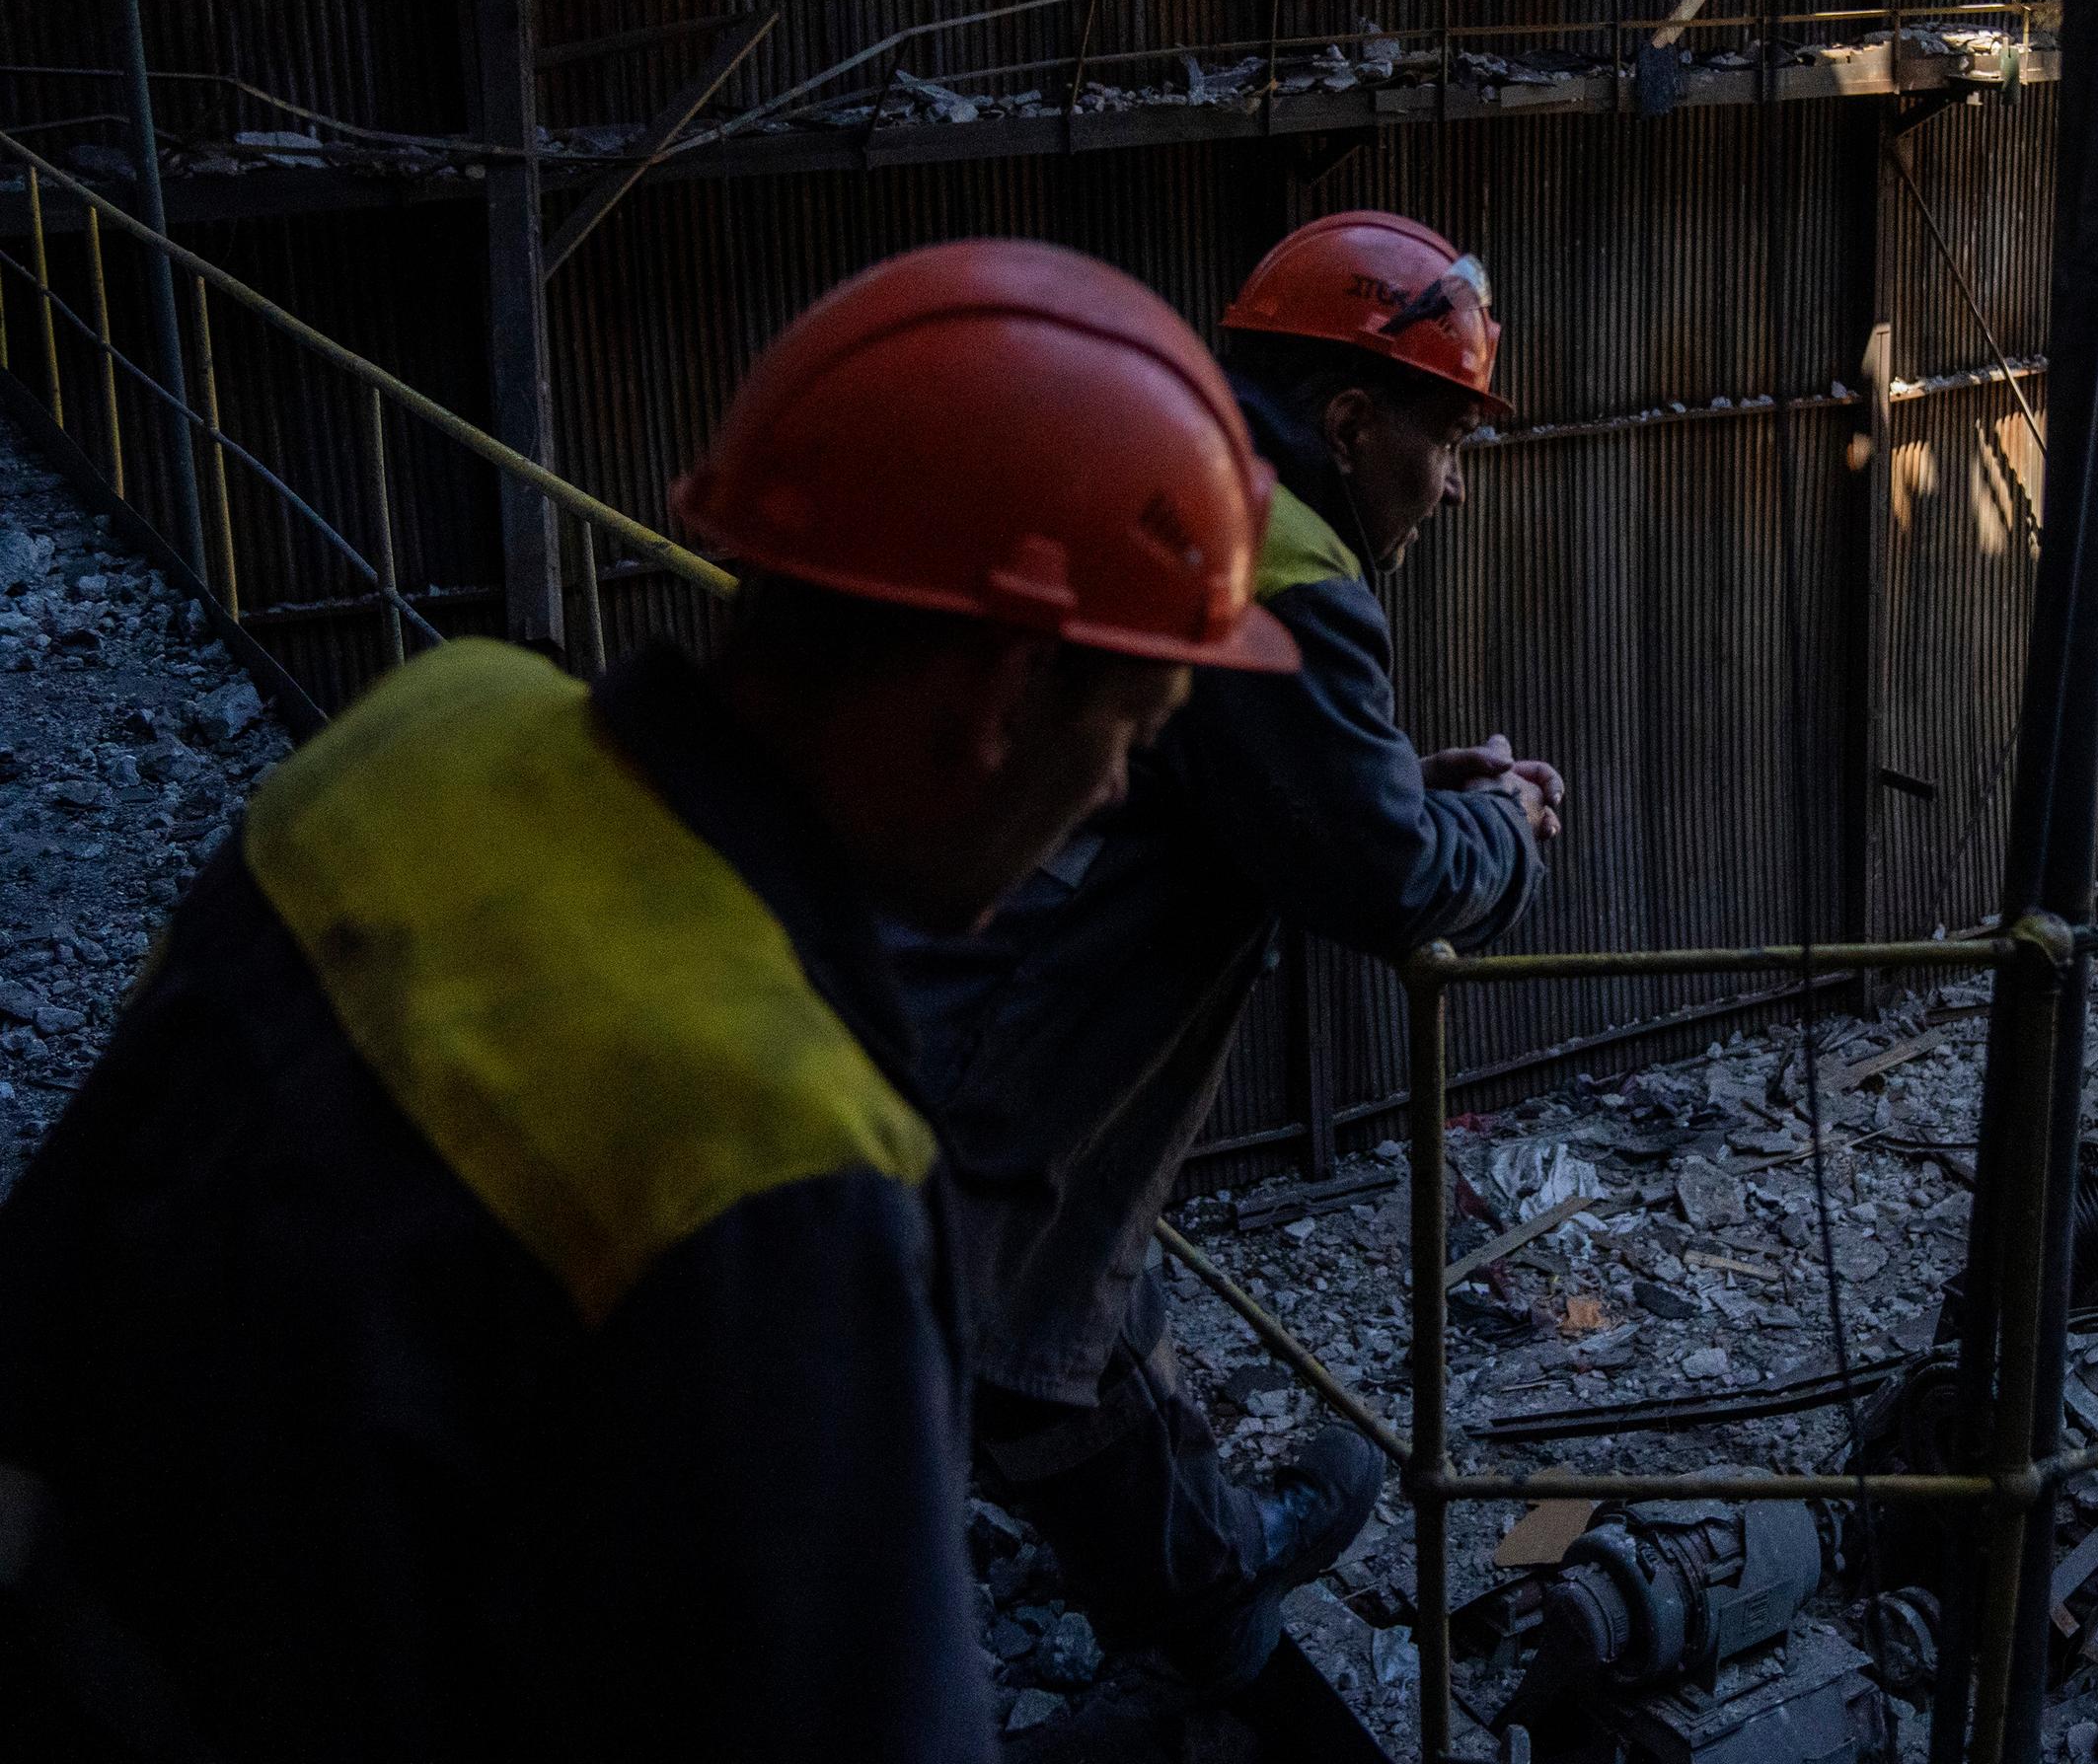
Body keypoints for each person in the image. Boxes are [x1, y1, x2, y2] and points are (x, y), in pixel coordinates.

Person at [0, 240, 1297, 1764]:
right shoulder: (782, 1153)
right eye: (1132, 722)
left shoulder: (429, 726)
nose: (1121, 781)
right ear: (1005, 700)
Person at [900, 209, 1562, 1724]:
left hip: (943, 973)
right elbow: (1382, 876)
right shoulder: (1291, 569)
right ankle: (1201, 1624)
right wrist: (1506, 832)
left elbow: (1235, 767)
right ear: (1348, 418)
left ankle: (1205, 1597)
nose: (1451, 486)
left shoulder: (1159, 469)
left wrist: (1401, 782)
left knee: (1066, 1324)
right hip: (1021, 1040)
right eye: (1444, 442)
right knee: (1017, 1359)